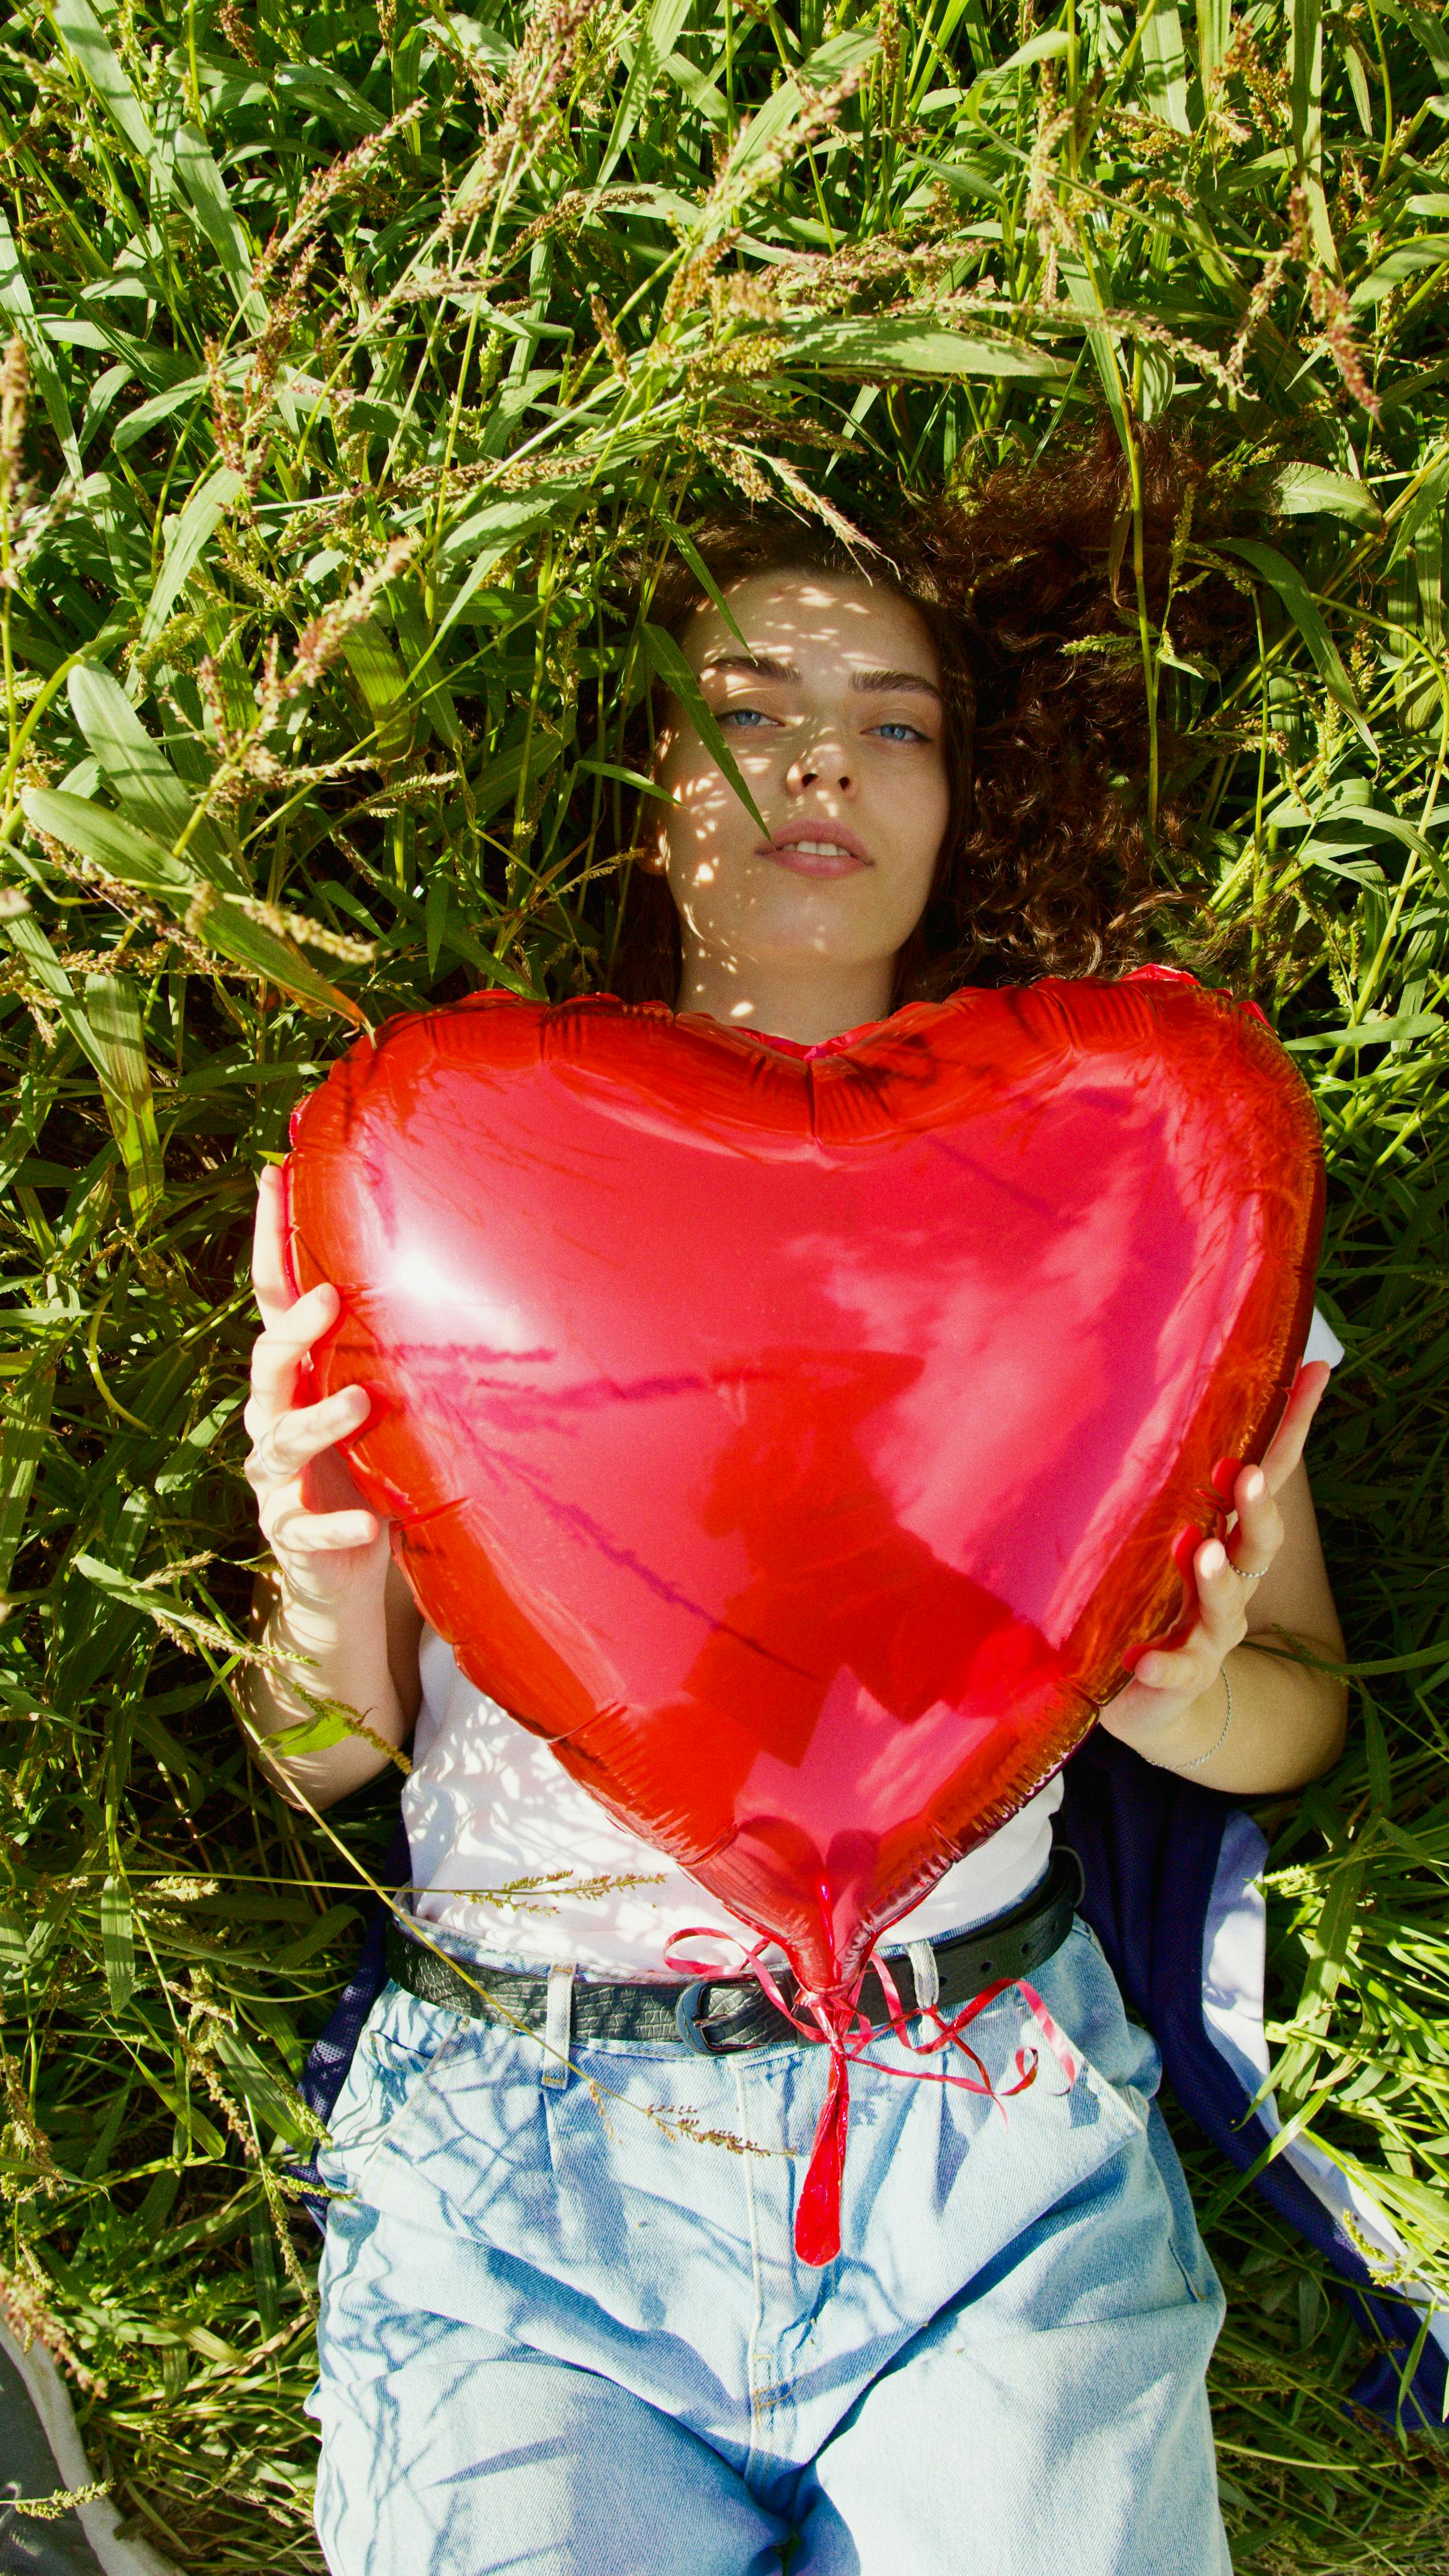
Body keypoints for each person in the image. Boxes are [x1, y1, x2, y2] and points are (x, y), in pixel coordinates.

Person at [241, 445, 1348, 2576]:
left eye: (895, 724)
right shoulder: (423, 1183)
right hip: (515, 2167)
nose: (821, 761)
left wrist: (1167, 1684)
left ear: (961, 796)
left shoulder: (1136, 1178)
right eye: (745, 711)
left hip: (987, 2141)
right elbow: (325, 1761)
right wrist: (313, 1586)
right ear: (648, 781)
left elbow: (1296, 1715)